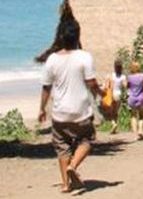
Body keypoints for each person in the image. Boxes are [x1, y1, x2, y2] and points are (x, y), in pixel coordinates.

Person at [38, 16, 104, 193]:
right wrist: (102, 93)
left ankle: (66, 184)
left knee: (62, 147)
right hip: (80, 111)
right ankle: (73, 166)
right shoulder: (84, 57)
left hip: (60, 112)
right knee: (88, 140)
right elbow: (91, 83)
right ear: (77, 37)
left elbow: (46, 87)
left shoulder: (52, 59)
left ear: (60, 37)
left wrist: (42, 109)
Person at [126, 62, 143, 140]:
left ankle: (135, 135)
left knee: (133, 116)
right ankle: (140, 131)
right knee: (141, 116)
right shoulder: (142, 75)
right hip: (141, 97)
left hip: (132, 98)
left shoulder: (129, 77)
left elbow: (126, 86)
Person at [106, 60, 127, 133]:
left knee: (111, 111)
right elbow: (125, 86)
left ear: (114, 67)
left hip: (112, 94)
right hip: (119, 94)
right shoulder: (123, 76)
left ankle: (113, 123)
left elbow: (108, 86)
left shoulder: (111, 75)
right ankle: (115, 125)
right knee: (116, 111)